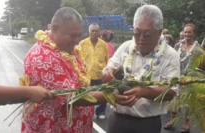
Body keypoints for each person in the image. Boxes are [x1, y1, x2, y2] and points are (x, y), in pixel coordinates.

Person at [21, 7, 107, 133]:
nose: (78, 41)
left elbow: (81, 82)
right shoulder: (43, 57)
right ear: (55, 29)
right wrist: (110, 95)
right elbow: (74, 97)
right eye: (73, 35)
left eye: (79, 35)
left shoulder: (68, 49)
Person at [102, 5, 180, 133]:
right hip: (118, 120)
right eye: (137, 33)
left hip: (146, 124)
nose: (141, 39)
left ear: (159, 32)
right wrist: (106, 73)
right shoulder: (126, 47)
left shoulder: (170, 55)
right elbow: (108, 68)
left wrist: (144, 92)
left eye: (147, 34)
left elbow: (171, 92)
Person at [164, 23, 202, 133]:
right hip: (177, 77)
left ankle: (186, 123)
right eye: (185, 32)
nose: (187, 34)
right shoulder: (178, 46)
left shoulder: (197, 49)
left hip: (190, 80)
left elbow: (200, 64)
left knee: (187, 102)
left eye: (189, 32)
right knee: (174, 100)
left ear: (194, 34)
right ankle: (172, 121)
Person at [78, 23, 109, 119]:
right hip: (87, 75)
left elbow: (107, 59)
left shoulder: (103, 45)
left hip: (100, 74)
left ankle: (100, 112)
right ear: (89, 32)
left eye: (96, 31)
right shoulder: (82, 44)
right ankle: (87, 112)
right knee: (87, 96)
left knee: (103, 93)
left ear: (99, 32)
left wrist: (107, 71)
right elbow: (78, 59)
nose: (94, 33)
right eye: (92, 31)